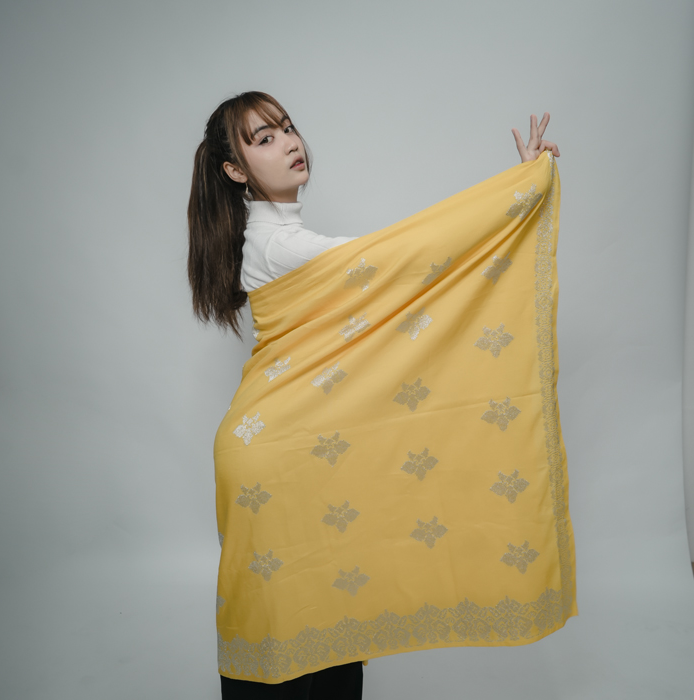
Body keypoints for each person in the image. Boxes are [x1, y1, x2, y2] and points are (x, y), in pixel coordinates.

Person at [187, 92, 560, 699]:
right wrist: (518, 191)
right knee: (302, 636)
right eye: (264, 139)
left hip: (285, 447)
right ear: (235, 170)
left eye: (287, 128)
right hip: (278, 456)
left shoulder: (281, 238)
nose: (290, 143)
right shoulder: (280, 245)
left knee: (326, 620)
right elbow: (406, 258)